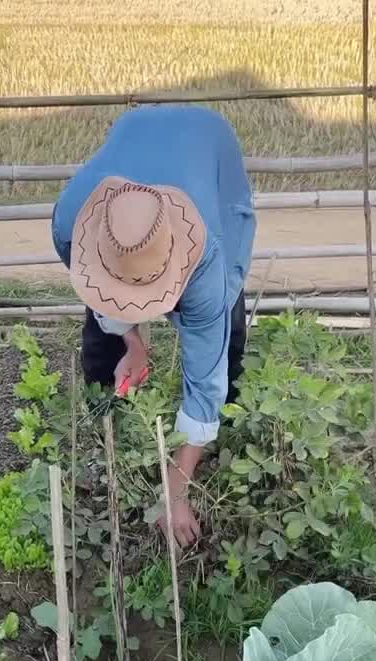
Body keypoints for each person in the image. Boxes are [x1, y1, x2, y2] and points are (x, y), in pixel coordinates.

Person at [51, 105, 257, 548]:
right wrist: (132, 341)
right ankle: (109, 420)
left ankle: (228, 423)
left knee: (224, 336)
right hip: (134, 134)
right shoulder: (72, 225)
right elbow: (103, 296)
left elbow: (203, 381)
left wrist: (175, 489)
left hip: (207, 148)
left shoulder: (207, 261)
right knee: (102, 341)